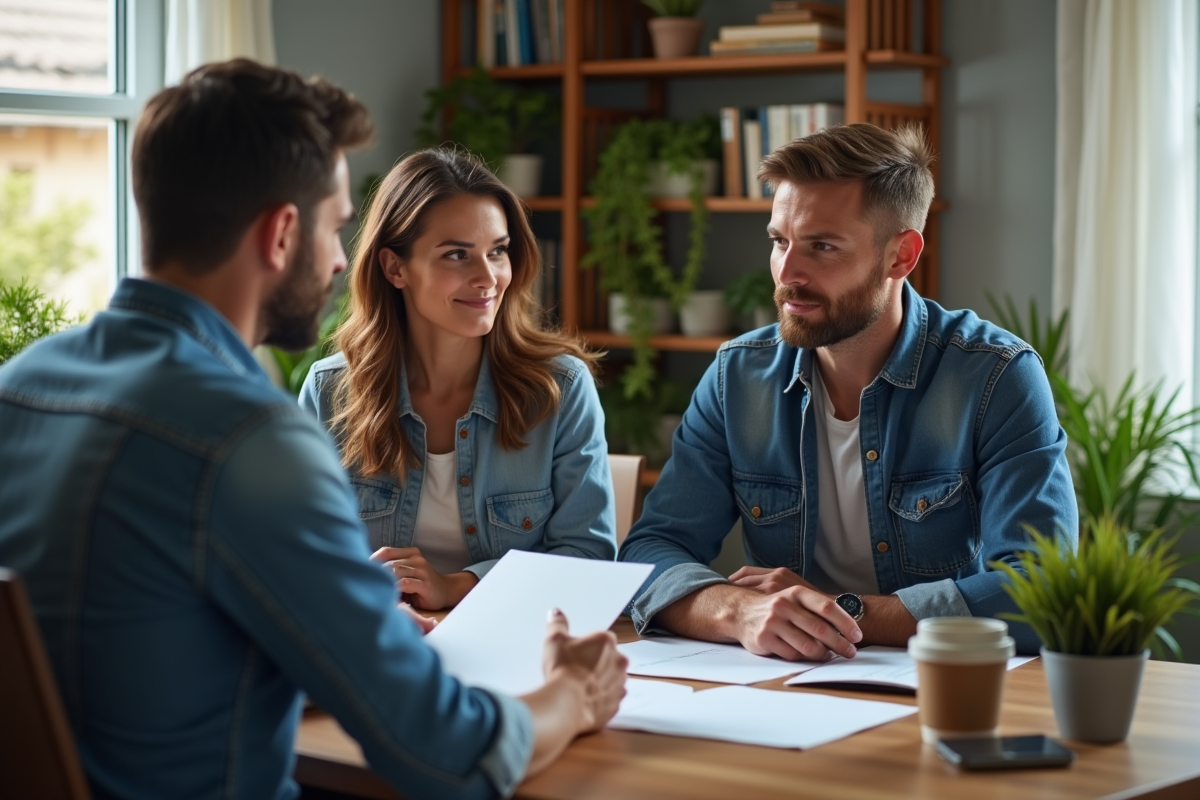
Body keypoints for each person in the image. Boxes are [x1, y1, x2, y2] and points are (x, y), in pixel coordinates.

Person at [0, 59, 625, 800]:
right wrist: (573, 695)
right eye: (334, 227)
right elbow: (446, 755)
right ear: (282, 233)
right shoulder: (247, 440)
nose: (337, 259)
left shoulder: (21, 388)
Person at [618, 123, 1077, 659]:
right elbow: (650, 552)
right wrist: (740, 610)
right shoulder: (736, 378)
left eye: (823, 246)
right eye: (779, 241)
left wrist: (841, 611)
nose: (787, 273)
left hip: (940, 684)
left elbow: (1042, 587)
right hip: (783, 686)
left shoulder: (995, 376)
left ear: (901, 256)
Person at [299, 149, 615, 611]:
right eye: (456, 255)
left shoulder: (560, 390)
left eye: (498, 252)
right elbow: (299, 552)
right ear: (395, 268)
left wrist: (459, 585)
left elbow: (587, 559)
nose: (487, 277)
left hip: (518, 643)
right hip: (376, 641)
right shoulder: (331, 393)